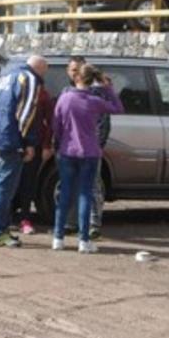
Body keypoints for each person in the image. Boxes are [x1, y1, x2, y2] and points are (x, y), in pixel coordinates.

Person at [0, 55, 47, 247]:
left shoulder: (3, 77)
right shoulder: (29, 79)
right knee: (5, 189)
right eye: (45, 72)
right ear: (39, 68)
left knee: (0, 186)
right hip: (11, 140)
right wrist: (28, 142)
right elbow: (26, 113)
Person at [51, 64, 123, 253]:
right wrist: (108, 88)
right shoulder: (94, 101)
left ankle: (58, 237)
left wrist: (57, 144)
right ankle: (84, 240)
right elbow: (118, 108)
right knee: (85, 195)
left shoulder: (64, 98)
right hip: (90, 152)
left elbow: (56, 124)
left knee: (65, 194)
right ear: (92, 80)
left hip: (67, 151)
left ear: (76, 78)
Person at [63, 55, 111, 239]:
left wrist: (97, 145)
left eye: (79, 70)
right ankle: (72, 223)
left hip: (91, 150)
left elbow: (103, 122)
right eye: (73, 70)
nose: (76, 74)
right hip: (71, 149)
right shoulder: (67, 92)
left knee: (92, 187)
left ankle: (93, 225)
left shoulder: (97, 93)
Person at [11, 82, 53, 235]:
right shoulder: (15, 93)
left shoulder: (43, 96)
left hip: (35, 144)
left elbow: (50, 122)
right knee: (10, 181)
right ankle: (6, 218)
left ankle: (25, 218)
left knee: (28, 182)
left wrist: (47, 145)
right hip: (13, 143)